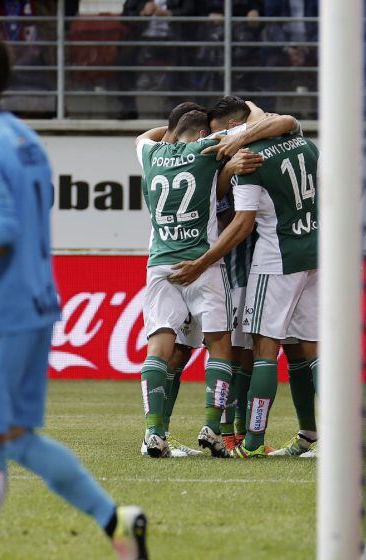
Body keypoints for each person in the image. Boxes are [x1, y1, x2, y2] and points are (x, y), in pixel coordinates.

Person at [0, 28, 148, 559]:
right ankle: (115, 521)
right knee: (16, 437)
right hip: (34, 305)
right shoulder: (24, 139)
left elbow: (1, 229)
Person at [169, 126, 319, 460]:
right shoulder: (305, 145)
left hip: (268, 260)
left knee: (262, 350)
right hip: (313, 253)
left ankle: (249, 442)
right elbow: (284, 118)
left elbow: (242, 222)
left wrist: (202, 261)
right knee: (311, 350)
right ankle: (331, 436)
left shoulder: (252, 160)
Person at [135, 109, 234, 459]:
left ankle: (152, 434)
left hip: (160, 265)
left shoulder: (149, 152)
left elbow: (144, 136)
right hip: (200, 264)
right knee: (219, 343)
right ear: (203, 131)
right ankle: (211, 426)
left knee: (159, 346)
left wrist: (172, 131)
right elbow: (234, 137)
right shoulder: (206, 149)